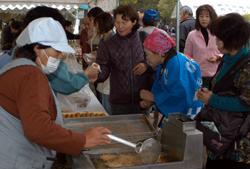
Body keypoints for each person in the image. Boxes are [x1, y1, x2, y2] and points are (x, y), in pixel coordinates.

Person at [0, 17, 111, 169]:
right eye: (57, 51)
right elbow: (37, 129)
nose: (60, 56)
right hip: (14, 159)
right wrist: (83, 140)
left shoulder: (18, 66)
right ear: (37, 48)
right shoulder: (30, 74)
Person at [195, 13, 250, 169]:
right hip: (220, 133)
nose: (216, 41)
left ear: (233, 40)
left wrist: (213, 100)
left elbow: (246, 103)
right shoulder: (226, 57)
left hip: (238, 143)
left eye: (219, 39)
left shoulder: (247, 65)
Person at [139, 28, 203, 121]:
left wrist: (154, 98)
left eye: (147, 54)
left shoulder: (177, 66)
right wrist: (151, 100)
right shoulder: (165, 62)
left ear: (160, 53)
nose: (146, 58)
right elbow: (159, 84)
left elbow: (181, 94)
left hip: (189, 113)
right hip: (177, 110)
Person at [96, 5, 148, 115]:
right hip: (119, 101)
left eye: (124, 23)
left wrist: (146, 65)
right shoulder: (108, 43)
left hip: (142, 99)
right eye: (117, 22)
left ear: (134, 22)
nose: (119, 26)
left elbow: (156, 59)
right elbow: (104, 67)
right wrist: (96, 74)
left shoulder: (143, 37)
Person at [184, 4, 221, 87]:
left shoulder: (218, 33)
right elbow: (187, 56)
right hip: (197, 75)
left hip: (217, 75)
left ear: (212, 17)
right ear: (198, 18)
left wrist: (218, 57)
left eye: (207, 16)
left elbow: (226, 52)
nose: (204, 19)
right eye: (201, 16)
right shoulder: (192, 35)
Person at [94, 12, 115, 114]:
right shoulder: (106, 38)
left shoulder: (111, 39)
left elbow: (107, 62)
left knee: (107, 113)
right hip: (105, 82)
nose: (95, 27)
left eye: (96, 24)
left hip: (108, 83)